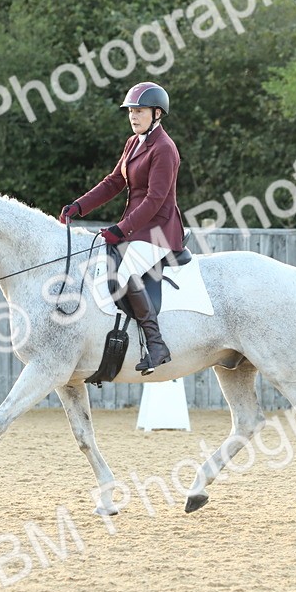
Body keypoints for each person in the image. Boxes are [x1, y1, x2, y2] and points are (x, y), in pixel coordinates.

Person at [59, 81, 185, 375]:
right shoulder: (133, 143)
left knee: (124, 272)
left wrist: (122, 229)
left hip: (158, 230)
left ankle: (156, 345)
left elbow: (155, 199)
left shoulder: (164, 148)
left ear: (156, 113)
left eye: (139, 111)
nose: (133, 116)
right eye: (130, 111)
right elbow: (115, 182)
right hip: (137, 226)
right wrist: (79, 206)